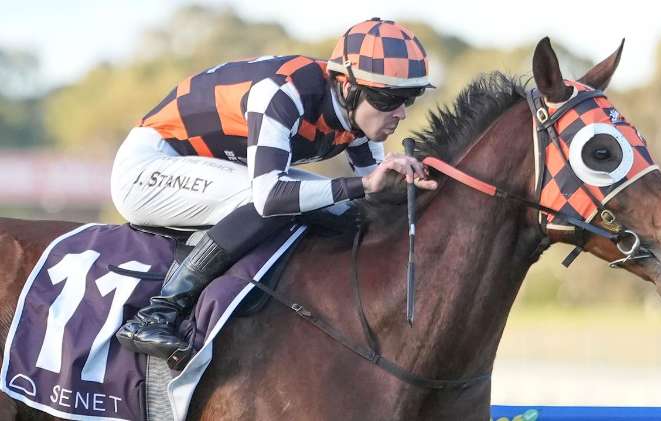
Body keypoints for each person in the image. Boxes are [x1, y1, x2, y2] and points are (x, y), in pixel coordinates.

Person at [111, 17, 438, 367]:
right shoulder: (285, 93)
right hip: (150, 167)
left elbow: (373, 201)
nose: (401, 113)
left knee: (345, 210)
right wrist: (365, 185)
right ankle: (157, 313)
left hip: (208, 167)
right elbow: (271, 197)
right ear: (347, 86)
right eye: (389, 98)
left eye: (409, 99)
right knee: (271, 200)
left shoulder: (355, 117)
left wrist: (409, 182)